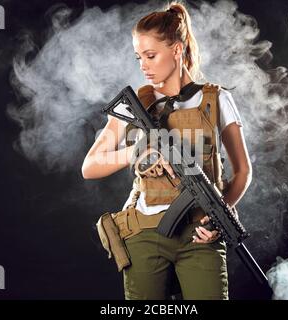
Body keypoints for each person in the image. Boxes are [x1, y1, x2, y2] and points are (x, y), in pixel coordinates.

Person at [82, 2, 252, 300]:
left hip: (201, 237)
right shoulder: (137, 103)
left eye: (150, 55)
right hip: (145, 235)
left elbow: (242, 171)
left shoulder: (216, 99)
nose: (143, 66)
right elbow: (90, 166)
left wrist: (218, 217)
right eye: (139, 57)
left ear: (177, 49)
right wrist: (137, 152)